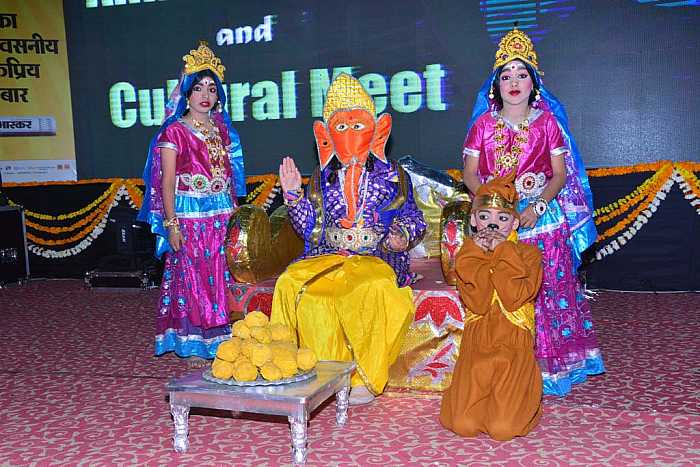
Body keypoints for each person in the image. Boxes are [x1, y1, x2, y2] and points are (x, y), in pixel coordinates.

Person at [461, 27, 605, 396]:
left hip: (542, 219)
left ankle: (552, 369)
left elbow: (559, 174)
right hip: (496, 220)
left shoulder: (547, 123)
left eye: (521, 74)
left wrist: (538, 206)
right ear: (495, 85)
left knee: (547, 292)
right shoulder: (482, 125)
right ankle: (506, 367)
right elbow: (470, 174)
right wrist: (493, 205)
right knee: (501, 294)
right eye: (506, 76)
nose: (513, 82)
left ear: (534, 83)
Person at [270, 73, 426, 405]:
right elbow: (307, 228)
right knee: (294, 284)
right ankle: (311, 371)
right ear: (325, 135)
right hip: (328, 256)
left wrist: (402, 236)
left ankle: (361, 377)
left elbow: (414, 217)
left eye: (358, 126)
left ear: (377, 130)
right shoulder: (321, 178)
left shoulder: (393, 175)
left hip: (376, 257)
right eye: (341, 127)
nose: (350, 135)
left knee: (370, 288)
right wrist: (294, 196)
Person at [137, 42, 246, 361]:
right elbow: (166, 182)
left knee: (223, 274)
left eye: (212, 88)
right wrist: (171, 225)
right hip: (190, 216)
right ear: (187, 93)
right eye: (198, 88)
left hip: (222, 215)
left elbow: (229, 176)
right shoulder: (174, 132)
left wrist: (235, 214)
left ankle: (224, 336)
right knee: (194, 277)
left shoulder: (222, 131)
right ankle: (194, 340)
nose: (205, 95)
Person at [440, 171, 543, 441]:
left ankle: (524, 398)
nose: (493, 225)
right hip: (478, 344)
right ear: (474, 221)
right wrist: (477, 254)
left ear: (515, 223)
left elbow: (513, 297)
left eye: (503, 218)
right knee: (463, 425)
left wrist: (503, 251)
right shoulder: (467, 255)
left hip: (513, 344)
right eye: (485, 217)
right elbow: (479, 302)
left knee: (503, 429)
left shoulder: (529, 255)